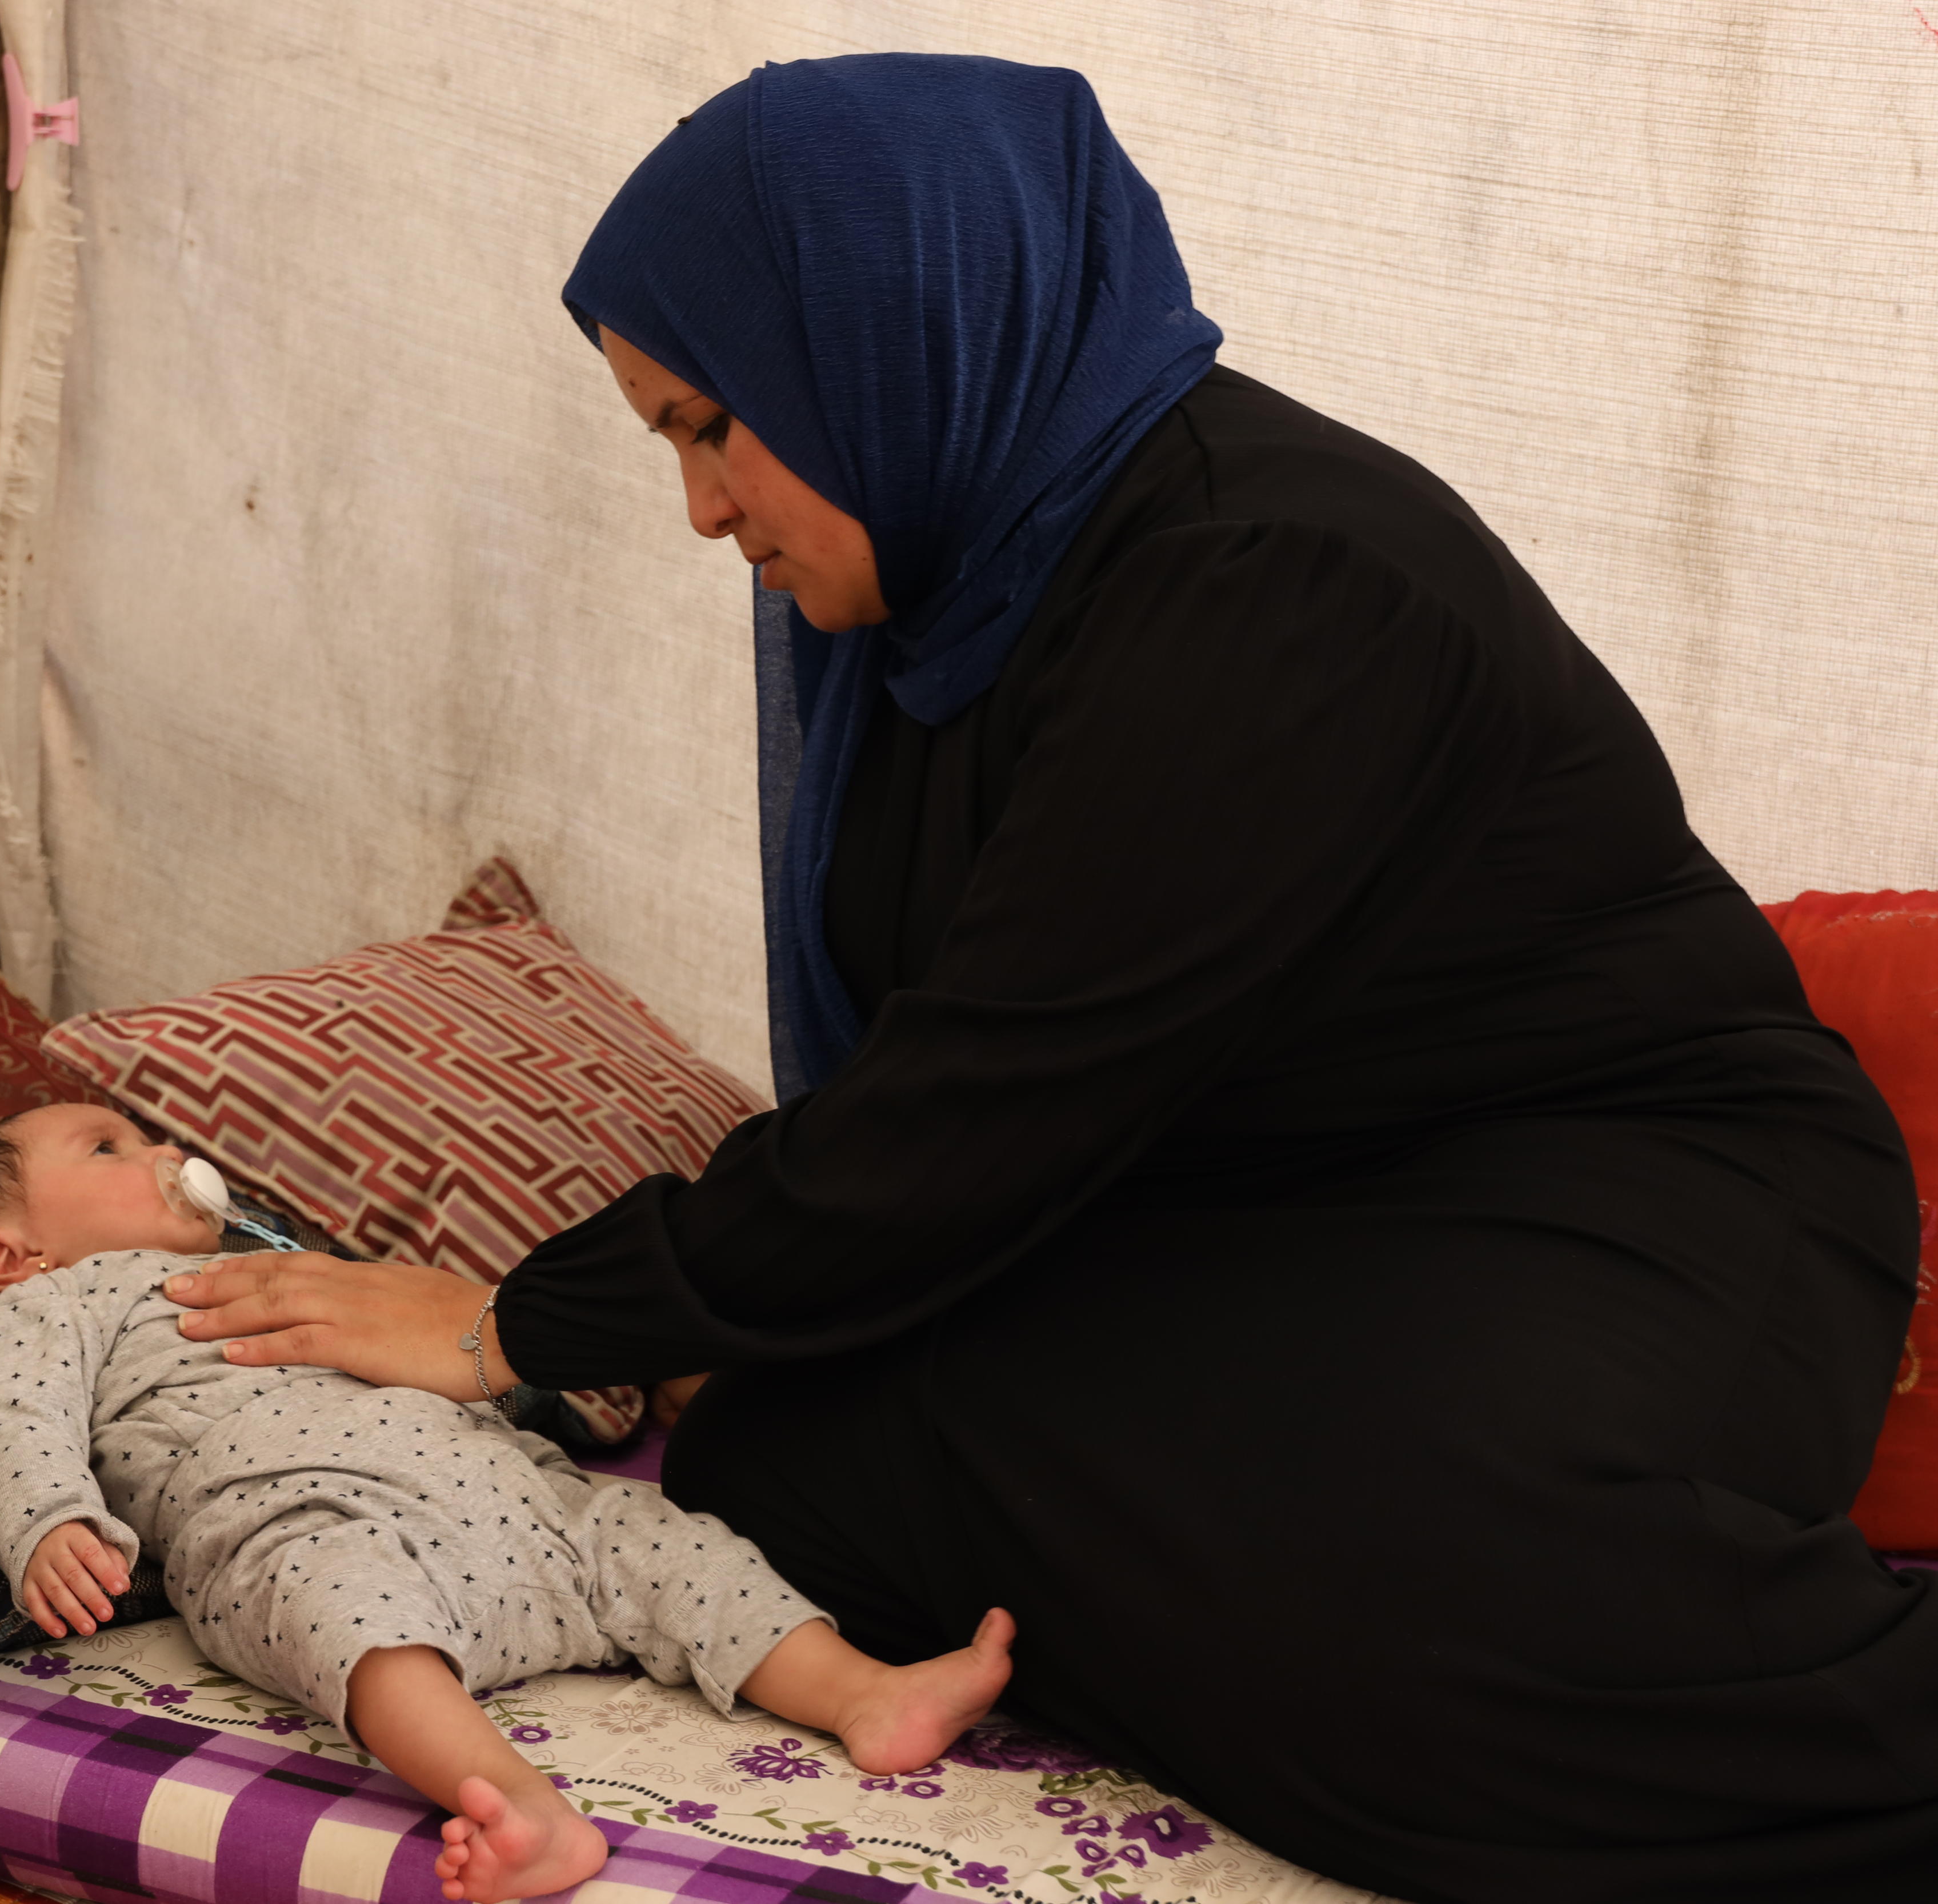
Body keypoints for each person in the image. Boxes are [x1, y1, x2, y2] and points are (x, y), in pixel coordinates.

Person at [162, 51, 1938, 1904]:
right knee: (794, 1454)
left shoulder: (1269, 582)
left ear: (882, 340)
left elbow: (970, 1114)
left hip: (1624, 1201)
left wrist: (512, 1323)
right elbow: (948, 1119)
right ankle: (1267, 1644)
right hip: (1265, 1218)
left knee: (1408, 1580)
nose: (700, 511)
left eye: (713, 428)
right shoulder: (952, 606)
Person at [0, 1101, 1019, 1904]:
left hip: (513, 1494)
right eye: (108, 1147)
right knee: (341, 1609)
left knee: (663, 1542)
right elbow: (14, 1417)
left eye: (149, 1135)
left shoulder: (279, 1260)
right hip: (303, 1509)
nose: (165, 1152)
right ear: (13, 1254)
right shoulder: (61, 1301)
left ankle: (862, 1692)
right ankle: (517, 1801)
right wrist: (50, 1521)